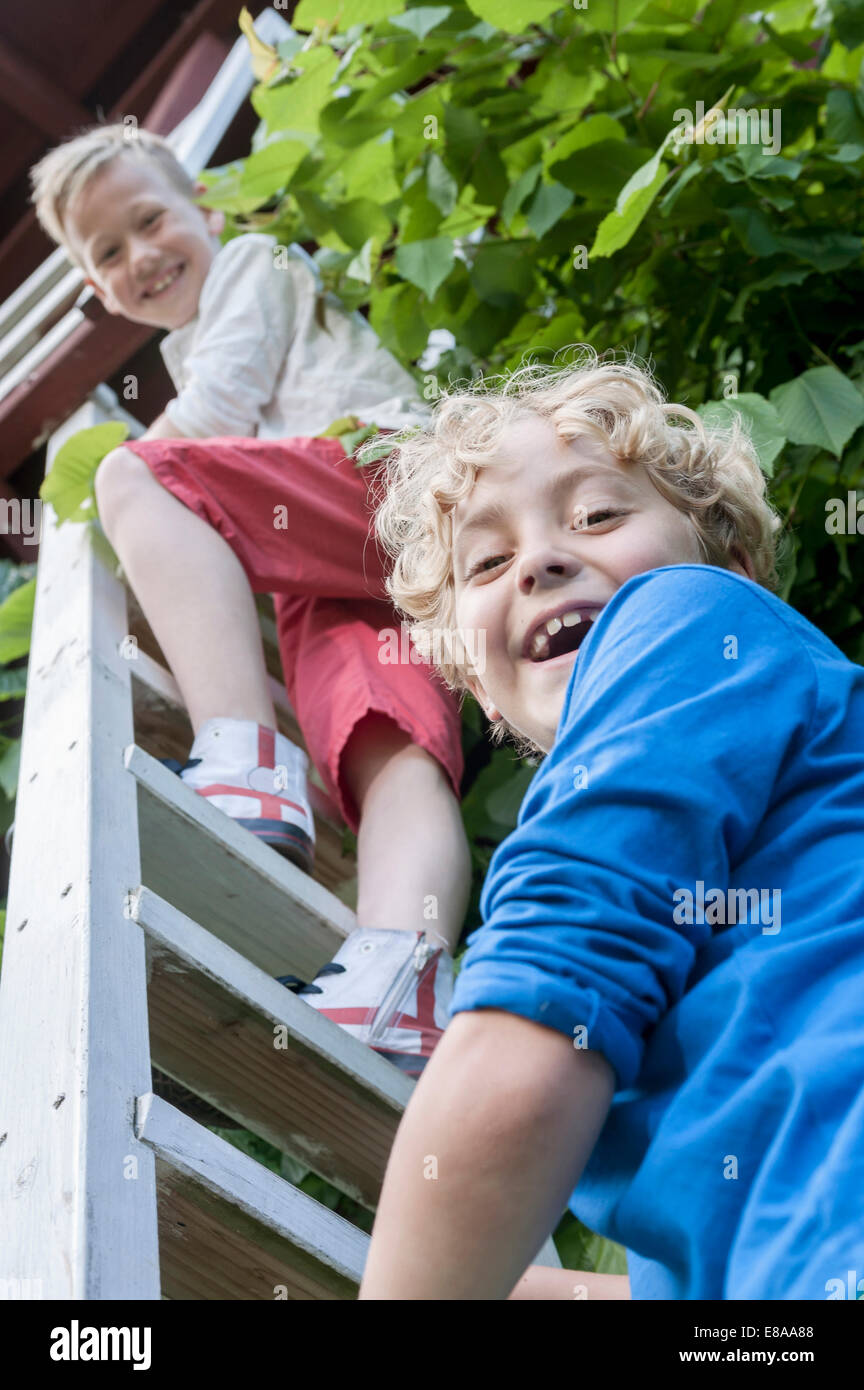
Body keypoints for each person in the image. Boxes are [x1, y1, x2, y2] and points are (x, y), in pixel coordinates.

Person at [357, 348, 864, 1299]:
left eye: (597, 515)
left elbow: (537, 1034)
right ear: (484, 698)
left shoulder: (684, 614)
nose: (543, 559)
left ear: (734, 571)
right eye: (489, 561)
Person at [29, 124, 472, 1076]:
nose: (140, 256)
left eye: (151, 221)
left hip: (380, 474)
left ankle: (246, 763)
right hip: (339, 563)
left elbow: (218, 412)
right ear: (96, 288)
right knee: (381, 745)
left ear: (211, 214)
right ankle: (405, 973)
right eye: (108, 252)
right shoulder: (189, 334)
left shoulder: (254, 263)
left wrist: (127, 503)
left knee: (133, 475)